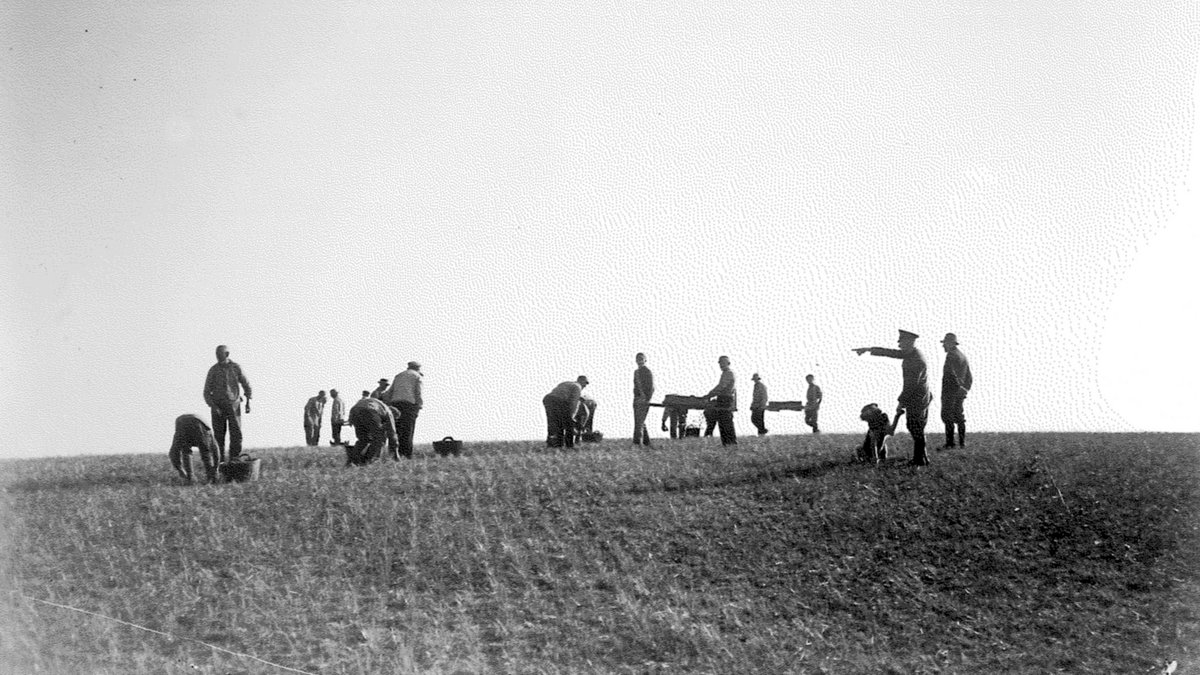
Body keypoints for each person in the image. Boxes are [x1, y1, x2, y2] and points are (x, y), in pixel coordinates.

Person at [854, 330, 933, 466]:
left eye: (901, 342)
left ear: (909, 342)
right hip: (920, 397)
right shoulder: (911, 354)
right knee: (916, 427)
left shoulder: (916, 360)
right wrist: (868, 349)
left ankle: (919, 460)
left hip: (917, 399)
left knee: (915, 427)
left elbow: (911, 385)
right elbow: (891, 352)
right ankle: (922, 458)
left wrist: (901, 402)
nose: (899, 345)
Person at [203, 345, 252, 462]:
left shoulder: (236, 368)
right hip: (218, 407)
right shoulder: (213, 370)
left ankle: (235, 460)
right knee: (218, 437)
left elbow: (246, 384)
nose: (218, 357)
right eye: (216, 354)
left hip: (234, 406)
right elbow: (206, 392)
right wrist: (213, 406)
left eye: (220, 354)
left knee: (236, 434)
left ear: (227, 354)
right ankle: (220, 463)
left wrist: (248, 402)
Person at [939, 333, 973, 450]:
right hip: (960, 392)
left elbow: (951, 375)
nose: (943, 346)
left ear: (950, 344)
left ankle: (950, 443)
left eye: (944, 343)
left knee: (947, 417)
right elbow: (969, 377)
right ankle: (962, 443)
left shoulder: (951, 356)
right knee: (959, 417)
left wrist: (957, 388)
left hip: (950, 392)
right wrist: (964, 389)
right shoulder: (962, 356)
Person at [383, 362, 424, 459]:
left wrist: (388, 405)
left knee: (395, 430)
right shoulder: (417, 376)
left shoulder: (399, 375)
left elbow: (389, 392)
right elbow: (418, 392)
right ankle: (406, 455)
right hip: (409, 405)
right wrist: (419, 406)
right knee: (407, 431)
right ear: (418, 369)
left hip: (395, 405)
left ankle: (393, 454)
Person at [345, 396, 398, 466]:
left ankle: (352, 460)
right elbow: (392, 435)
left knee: (363, 439)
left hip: (354, 411)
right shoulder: (389, 413)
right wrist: (396, 455)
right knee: (379, 439)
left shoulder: (380, 406)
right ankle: (367, 461)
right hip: (369, 410)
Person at [168, 414, 220, 483]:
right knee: (206, 452)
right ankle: (211, 477)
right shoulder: (209, 436)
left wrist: (180, 469)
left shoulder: (209, 435)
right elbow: (216, 451)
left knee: (186, 451)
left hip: (181, 422)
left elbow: (173, 451)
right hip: (197, 422)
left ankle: (190, 478)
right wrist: (216, 468)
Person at [543, 376, 589, 448]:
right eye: (585, 383)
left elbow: (556, 391)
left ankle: (553, 444)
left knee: (553, 423)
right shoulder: (577, 387)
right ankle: (569, 445)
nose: (585, 385)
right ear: (581, 381)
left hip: (548, 399)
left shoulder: (567, 383)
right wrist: (571, 417)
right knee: (569, 425)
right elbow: (573, 403)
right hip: (558, 400)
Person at [704, 355, 738, 446]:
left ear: (728, 363)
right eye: (720, 363)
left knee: (725, 422)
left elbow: (721, 387)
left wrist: (709, 395)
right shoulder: (727, 373)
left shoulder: (728, 373)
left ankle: (729, 443)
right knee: (724, 422)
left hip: (725, 399)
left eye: (723, 363)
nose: (721, 365)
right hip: (724, 399)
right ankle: (728, 444)